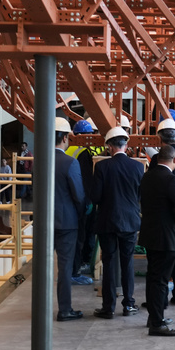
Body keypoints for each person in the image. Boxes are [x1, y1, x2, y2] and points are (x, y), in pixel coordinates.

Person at [91, 126, 145, 319]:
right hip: (130, 222)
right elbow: (140, 195)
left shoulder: (102, 167)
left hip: (107, 222)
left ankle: (108, 307)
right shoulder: (138, 167)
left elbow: (95, 197)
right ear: (126, 145)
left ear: (109, 147)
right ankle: (129, 304)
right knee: (127, 262)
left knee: (109, 262)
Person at [140, 143, 175, 336]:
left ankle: (153, 317)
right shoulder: (173, 181)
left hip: (150, 235)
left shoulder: (147, 177)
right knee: (161, 281)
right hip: (167, 237)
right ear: (174, 160)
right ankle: (157, 324)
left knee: (153, 278)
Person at [149, 117, 175, 308]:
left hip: (162, 216)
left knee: (159, 266)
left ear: (159, 137)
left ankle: (159, 300)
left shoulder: (158, 159)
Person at [53, 117, 86, 322]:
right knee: (64, 268)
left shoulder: (39, 160)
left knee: (43, 267)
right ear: (65, 138)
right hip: (67, 223)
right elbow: (79, 195)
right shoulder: (70, 162)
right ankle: (64, 309)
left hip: (44, 222)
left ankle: (40, 307)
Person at [66, 119, 96, 285]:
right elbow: (85, 179)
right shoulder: (84, 152)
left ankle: (71, 269)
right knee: (81, 236)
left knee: (72, 238)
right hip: (80, 200)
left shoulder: (70, 149)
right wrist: (88, 201)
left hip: (68, 199)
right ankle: (75, 270)